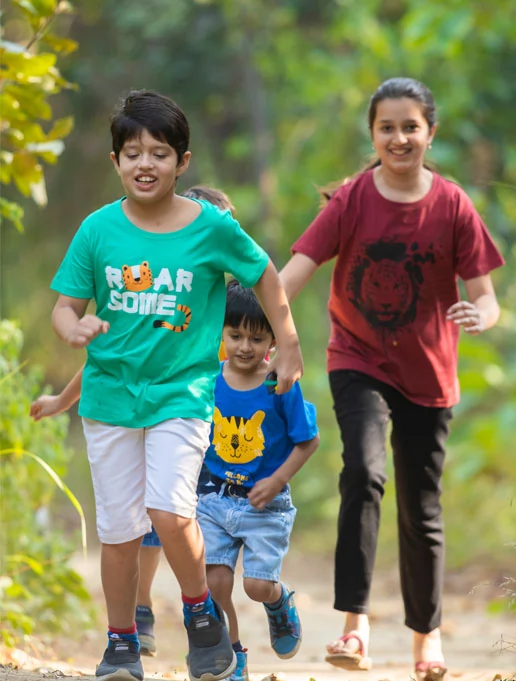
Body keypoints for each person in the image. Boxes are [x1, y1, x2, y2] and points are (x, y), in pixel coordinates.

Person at [49, 90, 303, 681]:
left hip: (181, 394)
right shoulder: (97, 230)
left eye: (159, 153)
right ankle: (119, 644)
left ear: (182, 162)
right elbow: (65, 306)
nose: (145, 164)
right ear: (115, 161)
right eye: (132, 152)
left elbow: (264, 274)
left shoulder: (210, 228)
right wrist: (74, 326)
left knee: (169, 509)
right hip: (111, 396)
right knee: (117, 530)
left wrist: (287, 343)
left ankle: (198, 613)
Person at [278, 77, 504, 680]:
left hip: (429, 373)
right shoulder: (353, 199)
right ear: (372, 135)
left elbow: (487, 298)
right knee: (365, 471)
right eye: (387, 127)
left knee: (421, 508)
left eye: (410, 126)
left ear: (430, 132)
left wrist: (478, 315)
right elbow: (295, 270)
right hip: (358, 358)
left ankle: (426, 640)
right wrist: (269, 327)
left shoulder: (453, 204)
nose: (399, 137)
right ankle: (354, 628)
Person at [30, 186, 236, 659]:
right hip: (146, 416)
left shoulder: (230, 304)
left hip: (204, 426)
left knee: (171, 517)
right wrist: (63, 399)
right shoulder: (165, 289)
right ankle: (138, 609)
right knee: (143, 520)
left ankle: (208, 624)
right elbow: (111, 360)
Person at [196, 279, 319, 680]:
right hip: (214, 498)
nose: (245, 346)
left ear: (273, 338)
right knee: (214, 584)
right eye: (235, 335)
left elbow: (308, 441)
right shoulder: (208, 379)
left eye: (256, 336)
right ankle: (231, 655)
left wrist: (277, 480)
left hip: (265, 505)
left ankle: (278, 600)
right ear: (222, 333)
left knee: (256, 587)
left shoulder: (279, 383)